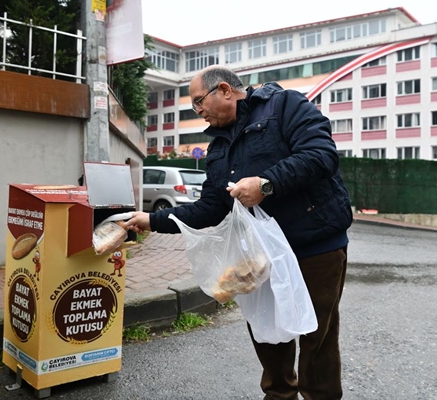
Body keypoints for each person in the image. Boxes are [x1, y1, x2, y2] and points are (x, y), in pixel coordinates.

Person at [125, 65, 352, 400]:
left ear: (225, 91)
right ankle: (278, 395)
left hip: (315, 246)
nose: (197, 111)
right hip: (259, 257)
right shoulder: (217, 148)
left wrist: (266, 184)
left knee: (316, 336)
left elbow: (320, 155)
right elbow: (209, 209)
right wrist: (150, 219)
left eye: (198, 102)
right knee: (267, 336)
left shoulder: (285, 106)